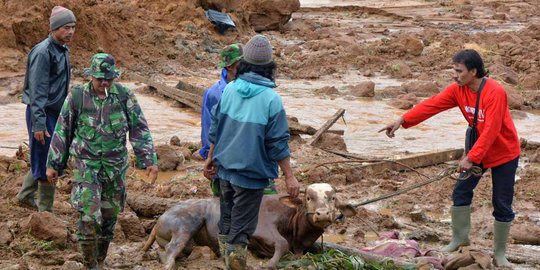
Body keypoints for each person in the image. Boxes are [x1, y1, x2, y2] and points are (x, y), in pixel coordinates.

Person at [379, 49, 520, 267]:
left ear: (473, 71)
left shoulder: (495, 92)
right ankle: (459, 239)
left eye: (459, 71)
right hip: (477, 149)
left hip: (503, 152)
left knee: (501, 202)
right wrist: (402, 120)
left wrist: (470, 157)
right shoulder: (458, 90)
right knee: (461, 192)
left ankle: (500, 254)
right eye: (453, 70)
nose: (454, 75)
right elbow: (432, 105)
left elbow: (491, 130)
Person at [46, 53, 159, 269]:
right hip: (86, 167)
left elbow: (139, 129)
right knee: (88, 219)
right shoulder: (77, 97)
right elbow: (62, 131)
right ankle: (90, 265)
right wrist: (54, 164)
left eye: (108, 78)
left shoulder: (124, 97)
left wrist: (149, 160)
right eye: (99, 78)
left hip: (114, 170)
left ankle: (99, 259)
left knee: (108, 221)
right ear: (91, 76)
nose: (104, 83)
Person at [203, 35, 300, 270]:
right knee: (242, 229)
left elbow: (216, 128)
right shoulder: (271, 99)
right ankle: (235, 265)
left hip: (224, 169)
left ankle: (228, 263)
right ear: (269, 67)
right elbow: (277, 142)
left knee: (227, 222)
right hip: (250, 174)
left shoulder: (230, 89)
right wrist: (289, 175)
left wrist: (209, 158)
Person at [15, 6, 76, 212]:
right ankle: (45, 212)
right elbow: (37, 92)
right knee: (48, 159)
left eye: (73, 27)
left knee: (47, 155)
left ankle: (24, 195)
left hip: (54, 113)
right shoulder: (43, 52)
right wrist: (39, 123)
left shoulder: (62, 49)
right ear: (54, 28)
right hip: (41, 113)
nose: (71, 32)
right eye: (66, 27)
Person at [200, 43, 278, 197]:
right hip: (224, 163)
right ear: (229, 67)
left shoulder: (257, 88)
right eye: (242, 64)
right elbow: (209, 130)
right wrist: (210, 158)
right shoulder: (215, 94)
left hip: (254, 162)